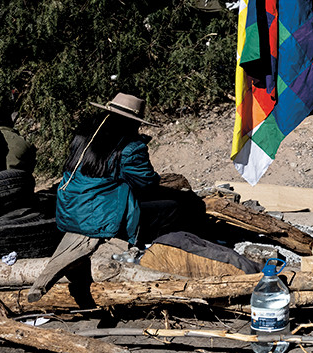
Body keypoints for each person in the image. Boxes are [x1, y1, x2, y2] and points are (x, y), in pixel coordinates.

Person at [56, 93, 205, 247]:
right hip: (101, 221)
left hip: (68, 214)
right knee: (177, 207)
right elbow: (147, 184)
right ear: (133, 123)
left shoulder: (83, 136)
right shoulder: (129, 147)